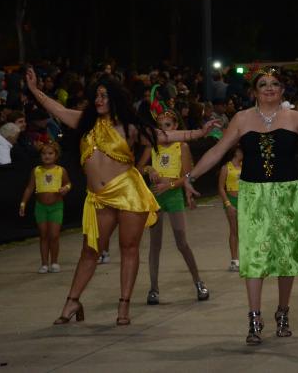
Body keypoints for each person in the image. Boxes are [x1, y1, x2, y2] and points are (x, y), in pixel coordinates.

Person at [25, 68, 217, 326]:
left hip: (128, 192)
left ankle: (124, 305)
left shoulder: (130, 127)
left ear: (115, 98)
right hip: (99, 197)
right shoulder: (84, 121)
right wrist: (35, 90)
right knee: (90, 251)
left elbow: (164, 135)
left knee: (129, 248)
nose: (99, 100)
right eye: (97, 95)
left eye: (104, 95)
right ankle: (72, 301)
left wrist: (199, 133)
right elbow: (56, 108)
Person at [182, 67, 298, 345]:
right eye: (263, 84)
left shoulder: (293, 117)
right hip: (253, 196)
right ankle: (254, 317)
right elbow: (217, 150)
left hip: (288, 194)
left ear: (282, 90)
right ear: (254, 91)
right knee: (254, 257)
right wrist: (190, 177)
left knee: (287, 257)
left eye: (275, 84)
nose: (269, 88)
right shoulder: (242, 118)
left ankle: (283, 312)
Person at [139, 110, 209, 305]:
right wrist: (149, 168)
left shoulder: (182, 147)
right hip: (155, 197)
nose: (164, 130)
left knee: (182, 243)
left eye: (168, 125)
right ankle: (153, 288)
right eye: (160, 127)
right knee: (155, 245)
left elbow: (186, 177)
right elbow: (137, 168)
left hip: (173, 196)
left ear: (175, 127)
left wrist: (168, 186)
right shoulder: (152, 146)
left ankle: (198, 282)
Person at [19, 142, 71, 273]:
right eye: (44, 153)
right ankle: (44, 263)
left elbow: (68, 183)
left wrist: (66, 188)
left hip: (56, 207)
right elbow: (30, 188)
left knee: (54, 235)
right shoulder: (36, 171)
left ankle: (54, 262)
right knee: (43, 235)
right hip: (41, 207)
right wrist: (23, 203)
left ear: (56, 155)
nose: (47, 156)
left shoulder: (61, 170)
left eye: (50, 153)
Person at [218, 145, 243, 272]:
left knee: (247, 230)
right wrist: (228, 204)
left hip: (245, 200)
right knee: (234, 230)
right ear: (237, 152)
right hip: (232, 200)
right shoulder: (226, 168)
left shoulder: (246, 165)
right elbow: (221, 188)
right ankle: (234, 261)